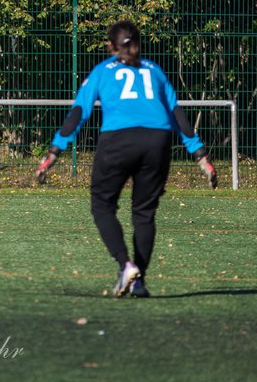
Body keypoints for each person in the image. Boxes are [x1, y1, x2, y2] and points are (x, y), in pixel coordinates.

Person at [36, 20, 218, 297]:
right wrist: (200, 156)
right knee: (144, 213)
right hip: (157, 141)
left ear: (110, 45)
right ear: (138, 44)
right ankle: (139, 282)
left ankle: (125, 265)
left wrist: (54, 151)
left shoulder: (101, 71)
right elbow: (177, 115)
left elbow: (78, 113)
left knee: (102, 205)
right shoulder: (154, 70)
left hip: (119, 140)